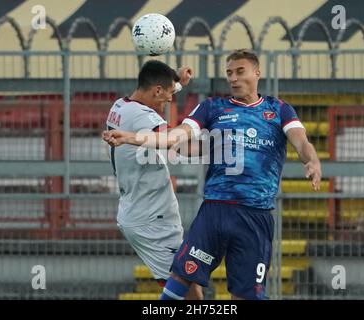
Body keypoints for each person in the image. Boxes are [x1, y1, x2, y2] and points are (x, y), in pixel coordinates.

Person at [103, 49, 322, 300]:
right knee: (181, 277)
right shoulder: (212, 107)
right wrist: (130, 137)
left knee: (245, 296)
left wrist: (312, 160)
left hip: (256, 214)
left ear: (257, 73)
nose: (233, 79)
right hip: (215, 210)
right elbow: (174, 137)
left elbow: (301, 142)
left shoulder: (279, 109)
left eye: (240, 72)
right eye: (229, 73)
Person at [103, 60, 202, 299]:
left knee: (191, 289)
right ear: (157, 89)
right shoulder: (144, 117)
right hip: (151, 221)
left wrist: (176, 83)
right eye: (167, 95)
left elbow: (156, 98)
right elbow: (175, 142)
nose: (169, 100)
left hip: (143, 213)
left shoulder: (121, 105)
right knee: (188, 294)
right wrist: (220, 142)